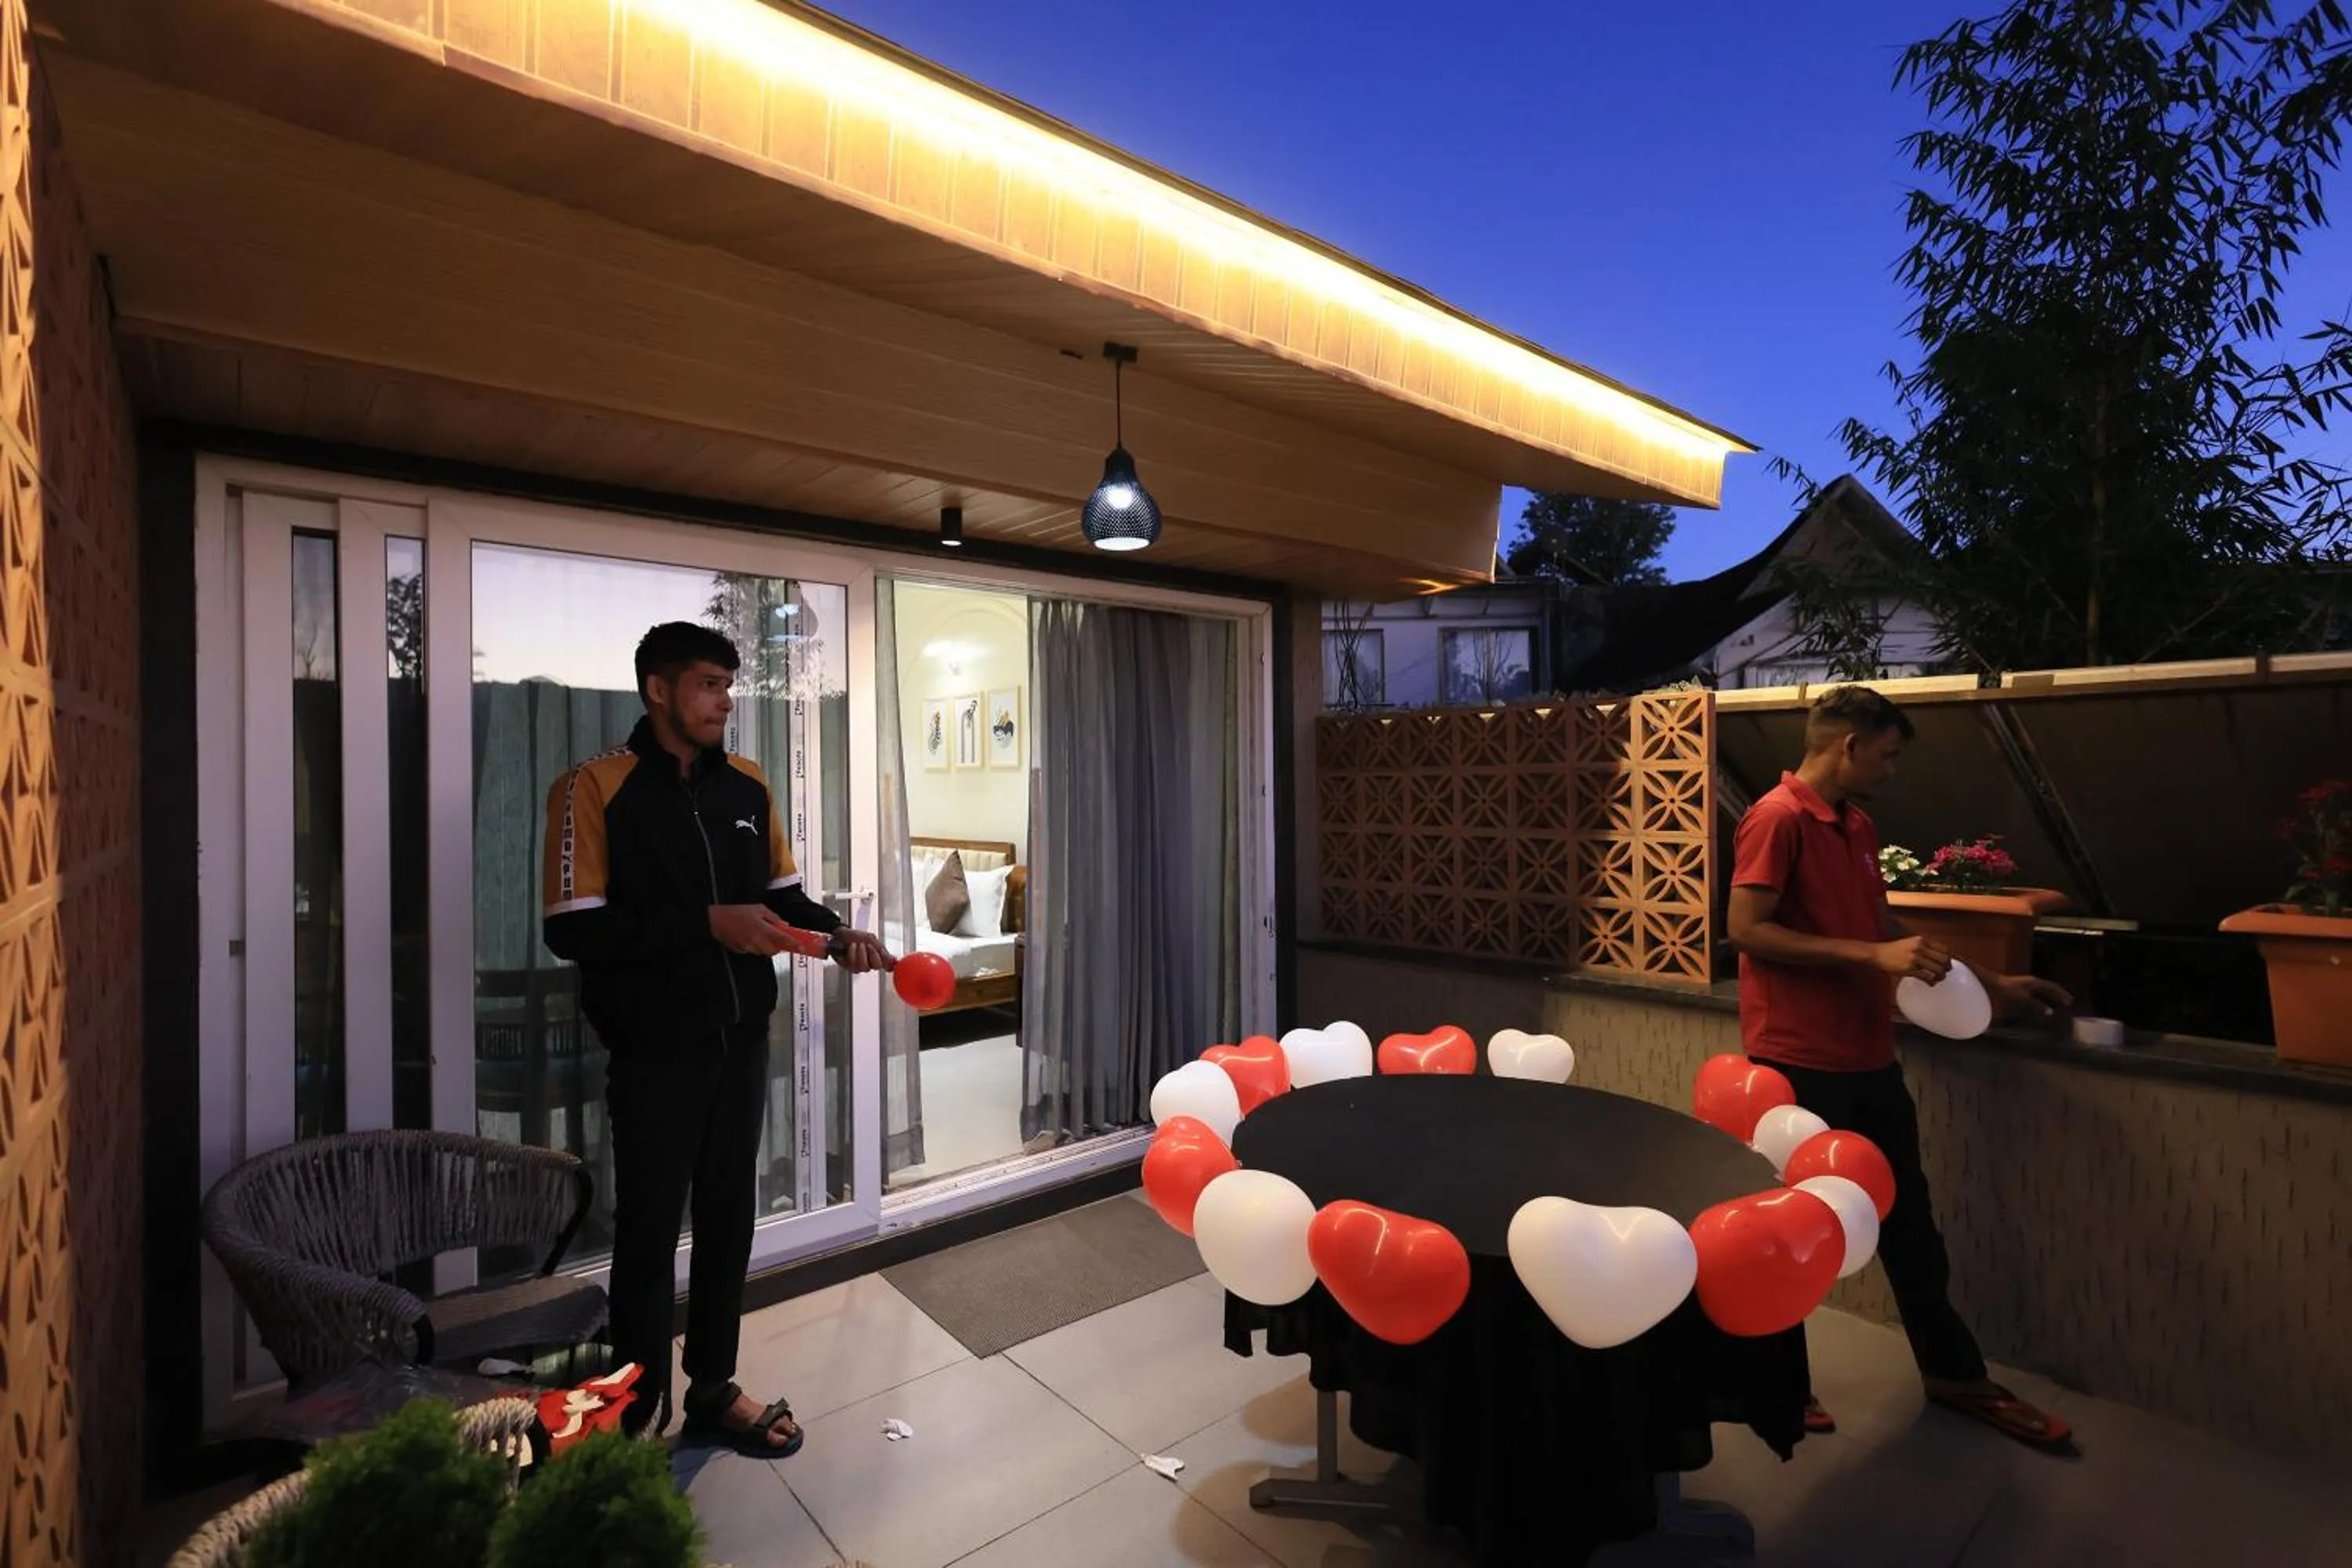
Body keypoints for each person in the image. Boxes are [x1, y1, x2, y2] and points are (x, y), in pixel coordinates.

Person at [542, 621, 891, 1452]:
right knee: (650, 1225)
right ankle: (629, 1408)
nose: (725, 701)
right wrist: (707, 922)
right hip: (654, 1048)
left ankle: (711, 1388)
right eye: (707, 683)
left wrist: (837, 934)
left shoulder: (748, 786)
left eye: (729, 685)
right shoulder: (592, 786)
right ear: (657, 689)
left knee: (731, 1213)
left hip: (741, 1035)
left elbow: (785, 900)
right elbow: (574, 930)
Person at [1725, 684, 2074, 1451]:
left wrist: (1993, 982)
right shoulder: (1777, 818)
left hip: (1867, 1057)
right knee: (1790, 1231)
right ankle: (1776, 1385)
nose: (1891, 770)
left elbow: (1883, 926)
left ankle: (1956, 1375)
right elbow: (1746, 929)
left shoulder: (1856, 824)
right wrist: (1871, 956)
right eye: (1886, 754)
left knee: (1909, 1225)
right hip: (1796, 1062)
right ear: (1848, 744)